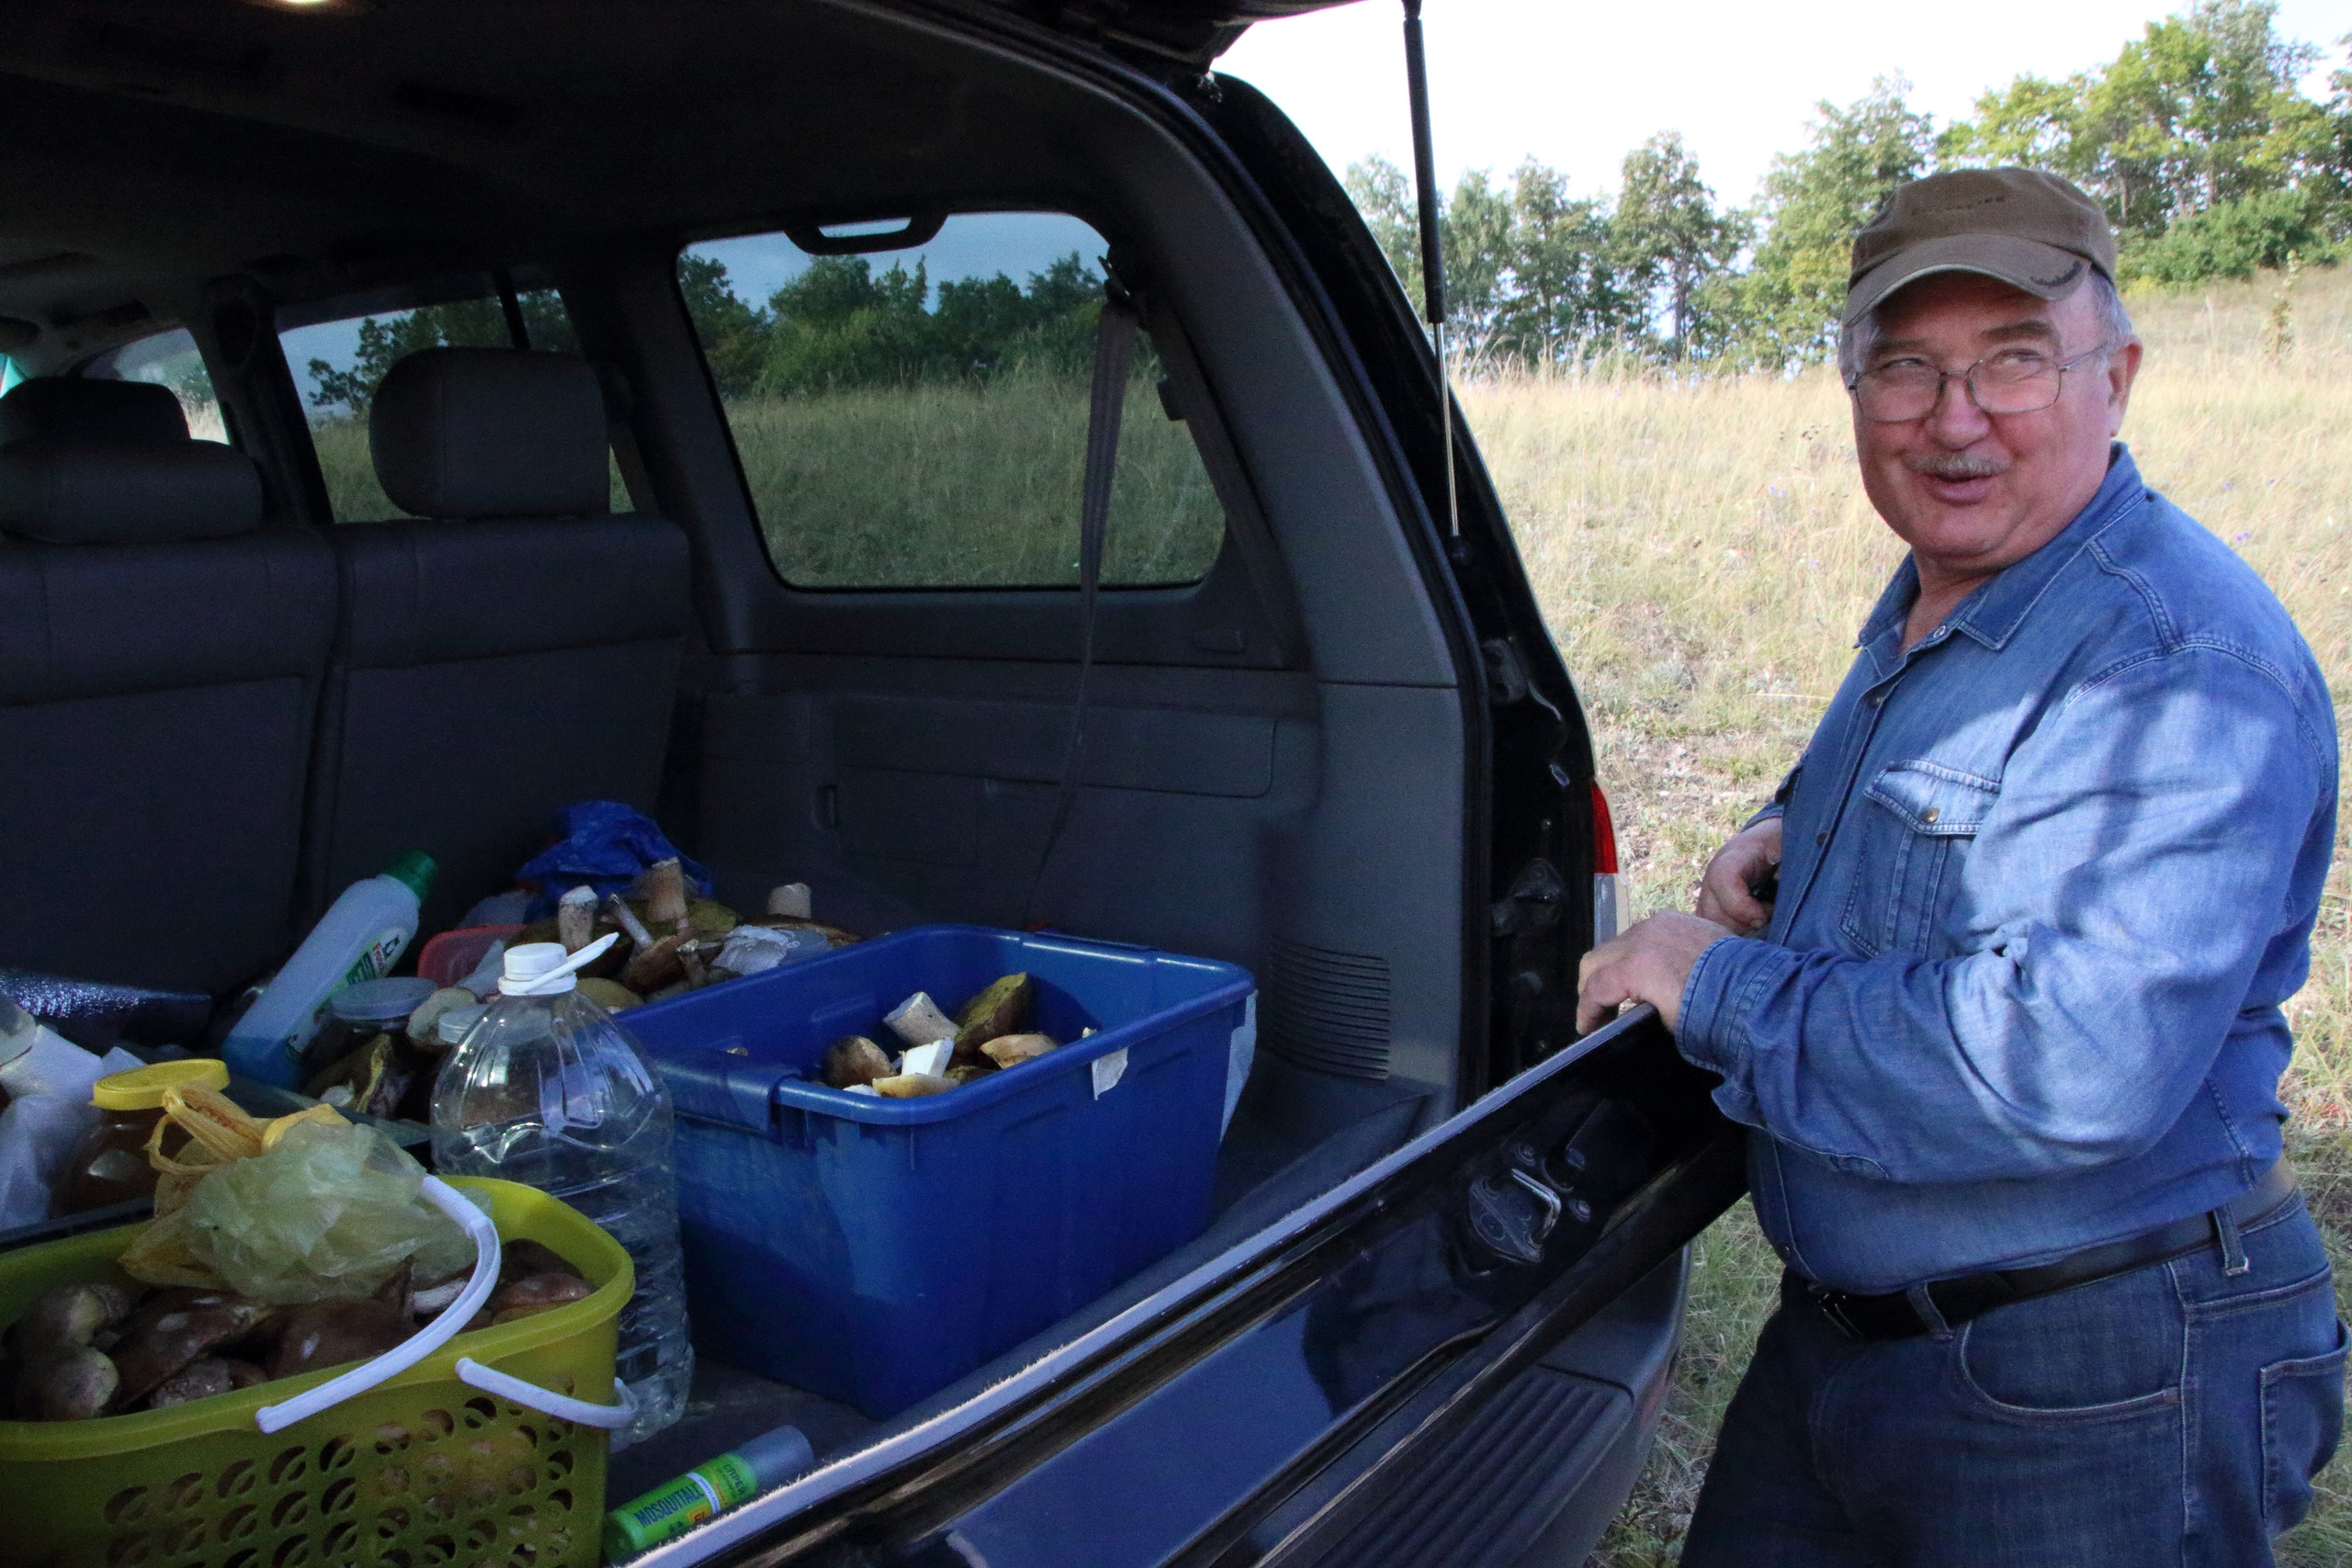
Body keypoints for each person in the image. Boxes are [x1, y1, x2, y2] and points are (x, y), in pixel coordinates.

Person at [1577, 167, 2345, 1566]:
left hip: (2096, 1375)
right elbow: (1955, 810)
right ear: (1854, 395)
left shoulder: (2175, 666)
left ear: (2114, 378)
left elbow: (2076, 1063)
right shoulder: (1955, 596)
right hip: (1854, 1344)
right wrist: (1791, 841)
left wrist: (1722, 983)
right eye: (1908, 370)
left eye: (2012, 361)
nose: (1954, 419)